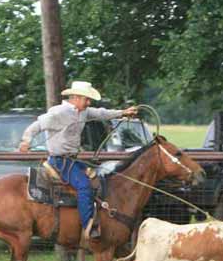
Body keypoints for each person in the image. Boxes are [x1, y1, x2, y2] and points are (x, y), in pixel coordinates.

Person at [19, 81, 137, 239]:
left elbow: (101, 113)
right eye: (86, 99)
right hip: (60, 161)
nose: (89, 103)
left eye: (89, 100)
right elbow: (37, 126)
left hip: (72, 160)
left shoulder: (83, 111)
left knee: (98, 178)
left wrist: (123, 112)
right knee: (84, 186)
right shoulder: (58, 113)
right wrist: (26, 141)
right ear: (75, 97)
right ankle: (87, 225)